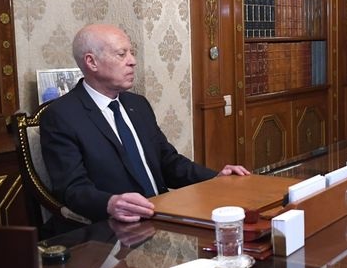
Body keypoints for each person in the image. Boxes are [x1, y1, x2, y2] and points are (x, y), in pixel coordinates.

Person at [41, 23, 250, 224]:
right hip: (115, 227)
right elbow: (72, 188)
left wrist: (215, 178)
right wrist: (110, 203)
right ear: (91, 62)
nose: (132, 61)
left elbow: (168, 162)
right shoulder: (62, 116)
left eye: (131, 53)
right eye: (121, 54)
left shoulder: (137, 104)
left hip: (161, 215)